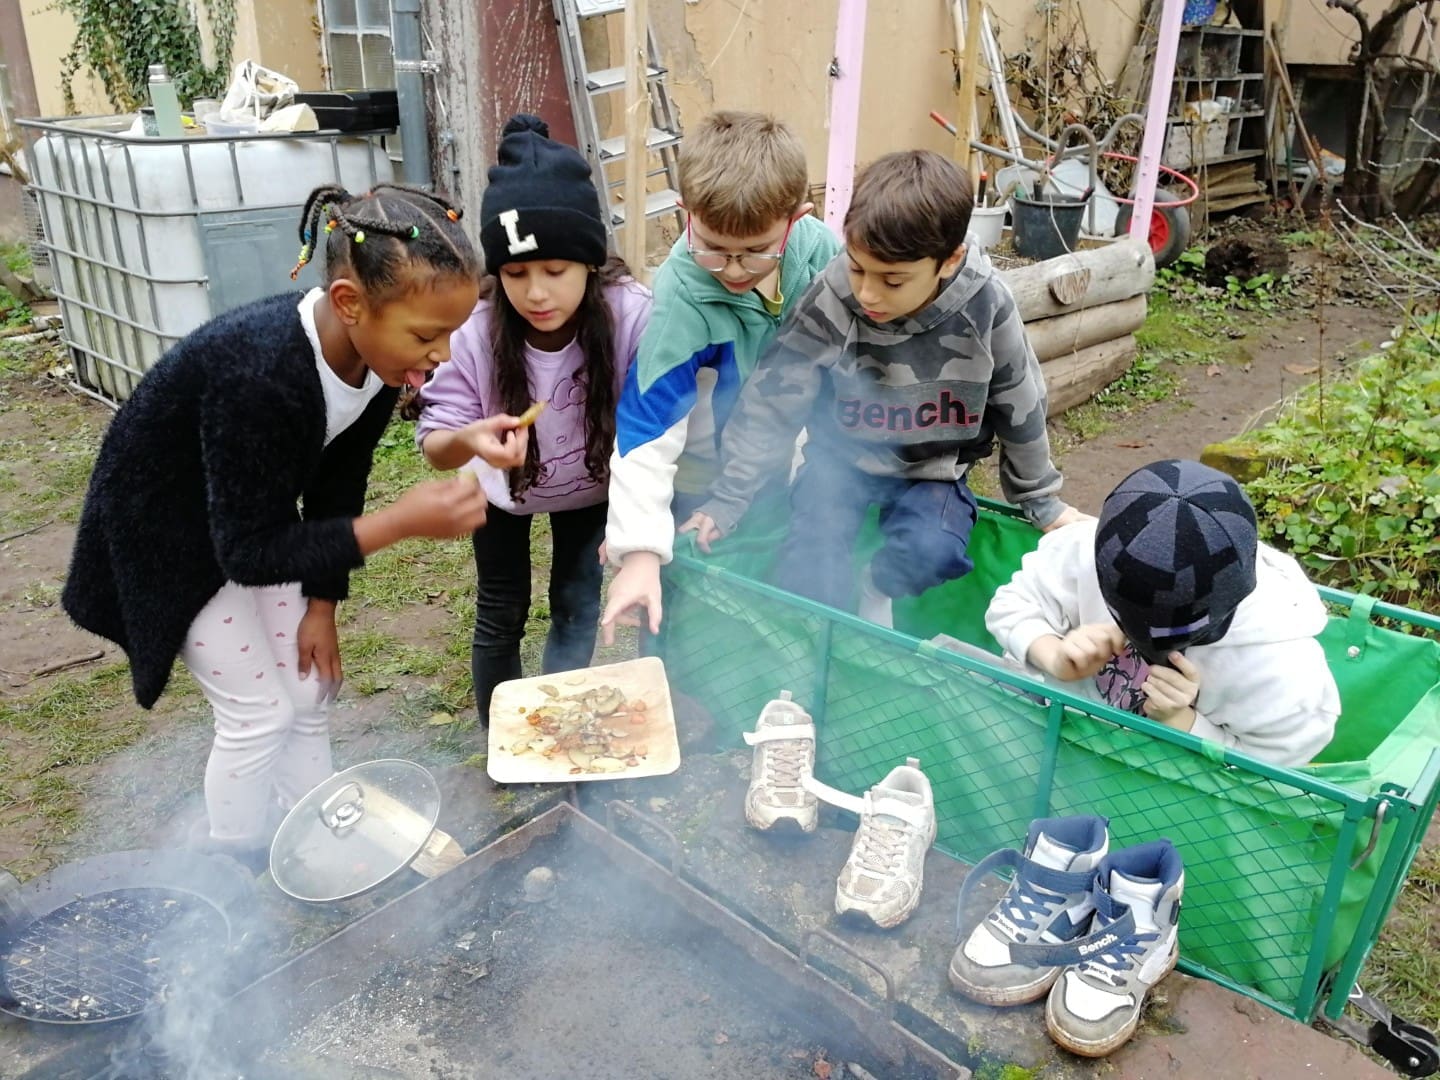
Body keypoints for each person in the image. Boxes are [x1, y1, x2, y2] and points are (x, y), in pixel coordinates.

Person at [61, 182, 522, 859]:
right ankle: (236, 866)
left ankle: (319, 838)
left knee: (309, 691)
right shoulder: (262, 371)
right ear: (350, 302)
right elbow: (247, 554)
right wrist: (400, 522)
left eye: (452, 334)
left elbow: (338, 485)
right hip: (166, 541)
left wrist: (322, 606)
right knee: (259, 714)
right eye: (428, 335)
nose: (443, 355)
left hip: (251, 516)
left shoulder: (375, 361)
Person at [683, 149, 1080, 626]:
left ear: (949, 260)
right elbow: (772, 401)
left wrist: (1041, 500)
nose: (867, 293)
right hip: (837, 465)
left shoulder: (987, 303)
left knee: (935, 550)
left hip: (933, 473)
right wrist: (729, 498)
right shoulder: (830, 297)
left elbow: (1021, 400)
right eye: (857, 269)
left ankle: (875, 585)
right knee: (809, 573)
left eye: (893, 281)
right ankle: (814, 648)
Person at [414, 115, 652, 722]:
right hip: (502, 495)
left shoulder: (630, 314)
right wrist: (471, 440)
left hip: (592, 490)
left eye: (555, 271)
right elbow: (436, 444)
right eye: (516, 274)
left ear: (590, 262)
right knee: (501, 611)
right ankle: (503, 738)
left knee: (576, 607)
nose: (537, 294)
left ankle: (560, 727)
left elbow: (657, 415)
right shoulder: (473, 329)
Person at [599, 110, 842, 642]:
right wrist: (640, 551)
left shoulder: (826, 259)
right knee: (680, 619)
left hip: (779, 467)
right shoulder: (682, 296)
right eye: (712, 248)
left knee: (760, 601)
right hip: (694, 479)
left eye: (754, 252)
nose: (732, 269)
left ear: (797, 219)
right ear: (685, 214)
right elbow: (647, 425)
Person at [985, 459, 1340, 766]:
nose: (1136, 639)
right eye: (1124, 620)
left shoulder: (1282, 672)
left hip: (1154, 791)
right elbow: (1011, 606)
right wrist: (1054, 656)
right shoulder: (1100, 546)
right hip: (1056, 741)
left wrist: (1182, 722)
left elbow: (1268, 773)